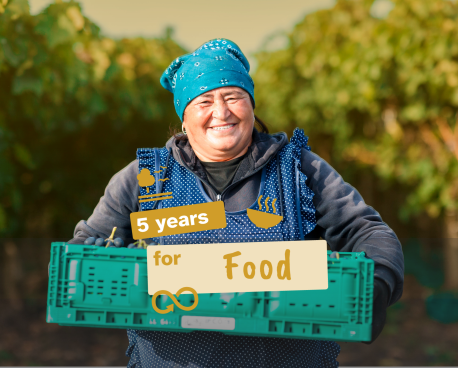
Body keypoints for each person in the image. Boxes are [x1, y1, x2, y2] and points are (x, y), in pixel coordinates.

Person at [69, 39, 404, 368]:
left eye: (233, 97)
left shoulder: (299, 169)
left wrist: (375, 283)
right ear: (184, 118)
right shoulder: (146, 178)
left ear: (251, 106)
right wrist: (96, 258)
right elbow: (82, 252)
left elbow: (368, 231)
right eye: (204, 101)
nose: (221, 111)